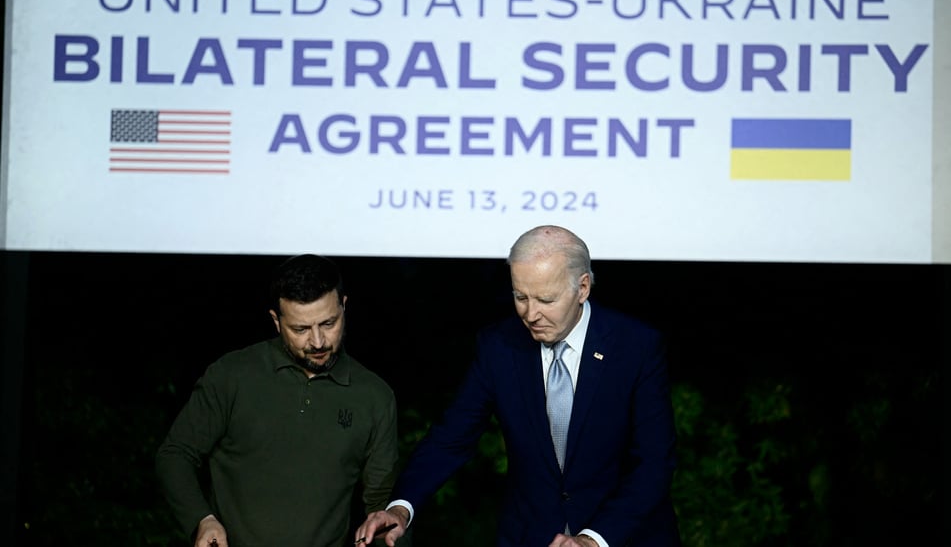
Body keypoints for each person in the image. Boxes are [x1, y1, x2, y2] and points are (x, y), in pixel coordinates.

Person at [355, 225, 680, 547]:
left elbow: (653, 463)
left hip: (622, 537)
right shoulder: (499, 347)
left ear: (582, 288)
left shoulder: (636, 347)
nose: (530, 313)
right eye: (520, 297)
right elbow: (451, 438)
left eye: (546, 299)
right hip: (530, 536)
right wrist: (400, 508)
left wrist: (592, 540)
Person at [155, 254, 399, 547]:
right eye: (301, 329)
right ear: (276, 321)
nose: (318, 341)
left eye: (329, 323)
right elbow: (176, 454)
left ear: (344, 307)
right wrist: (201, 520)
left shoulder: (375, 396)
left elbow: (380, 508)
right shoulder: (232, 376)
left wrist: (380, 528)